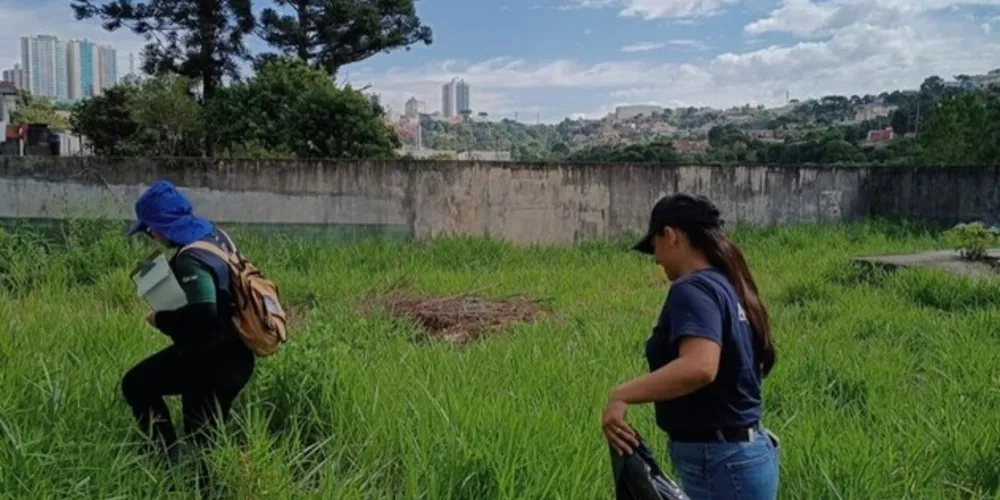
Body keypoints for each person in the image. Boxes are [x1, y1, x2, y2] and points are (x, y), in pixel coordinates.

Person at [601, 193, 780, 500]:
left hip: (722, 463)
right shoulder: (727, 284)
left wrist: (621, 395)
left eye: (654, 246)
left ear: (670, 236)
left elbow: (700, 367)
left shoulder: (692, 289)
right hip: (739, 454)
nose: (655, 259)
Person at [121, 180, 255, 468]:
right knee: (205, 440)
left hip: (213, 362)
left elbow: (204, 313)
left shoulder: (190, 259)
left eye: (149, 230)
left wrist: (161, 319)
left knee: (136, 384)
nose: (151, 237)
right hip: (237, 354)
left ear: (161, 226)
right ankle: (203, 475)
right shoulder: (215, 235)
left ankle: (166, 463)